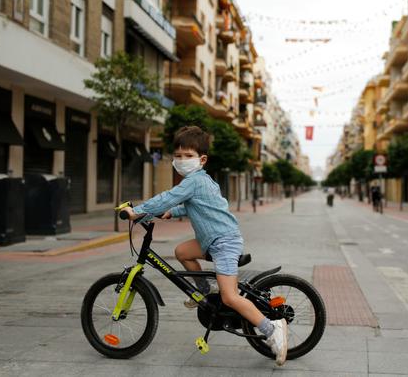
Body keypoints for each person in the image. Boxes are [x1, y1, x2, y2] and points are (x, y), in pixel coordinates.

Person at [122, 126, 288, 365]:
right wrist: (172, 212)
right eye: (177, 156)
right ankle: (204, 290)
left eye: (187, 156)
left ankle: (272, 329)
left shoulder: (194, 180)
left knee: (230, 297)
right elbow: (197, 204)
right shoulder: (201, 182)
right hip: (212, 240)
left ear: (201, 159)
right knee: (182, 252)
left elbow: (168, 197)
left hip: (224, 242)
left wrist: (136, 211)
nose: (181, 160)